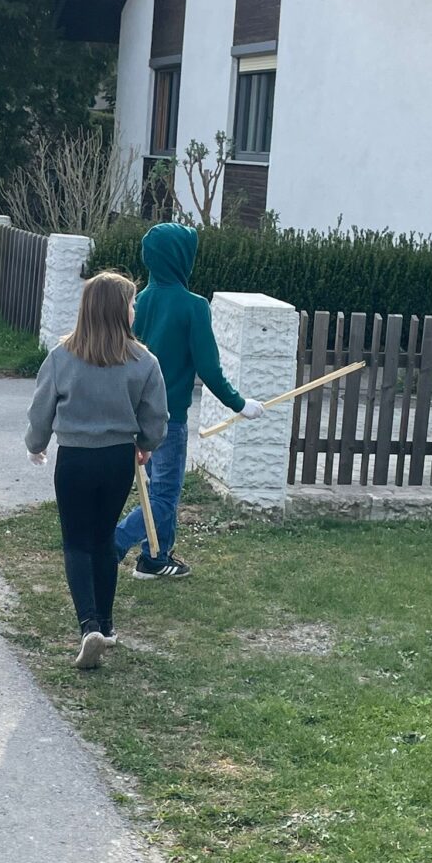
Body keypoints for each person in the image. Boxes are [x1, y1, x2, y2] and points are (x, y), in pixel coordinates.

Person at [25, 271, 168, 670]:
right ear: (120, 310)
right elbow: (157, 417)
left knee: (76, 541)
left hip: (75, 459)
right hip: (117, 459)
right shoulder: (144, 361)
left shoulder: (61, 357)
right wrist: (146, 444)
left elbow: (41, 409)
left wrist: (36, 444)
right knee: (103, 538)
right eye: (132, 303)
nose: (135, 309)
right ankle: (106, 624)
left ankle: (88, 624)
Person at [114, 223, 264, 579]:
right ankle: (113, 544)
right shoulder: (194, 306)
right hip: (168, 419)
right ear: (182, 258)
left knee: (156, 491)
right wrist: (240, 404)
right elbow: (208, 368)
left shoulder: (137, 301)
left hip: (131, 415)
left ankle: (156, 558)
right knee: (164, 495)